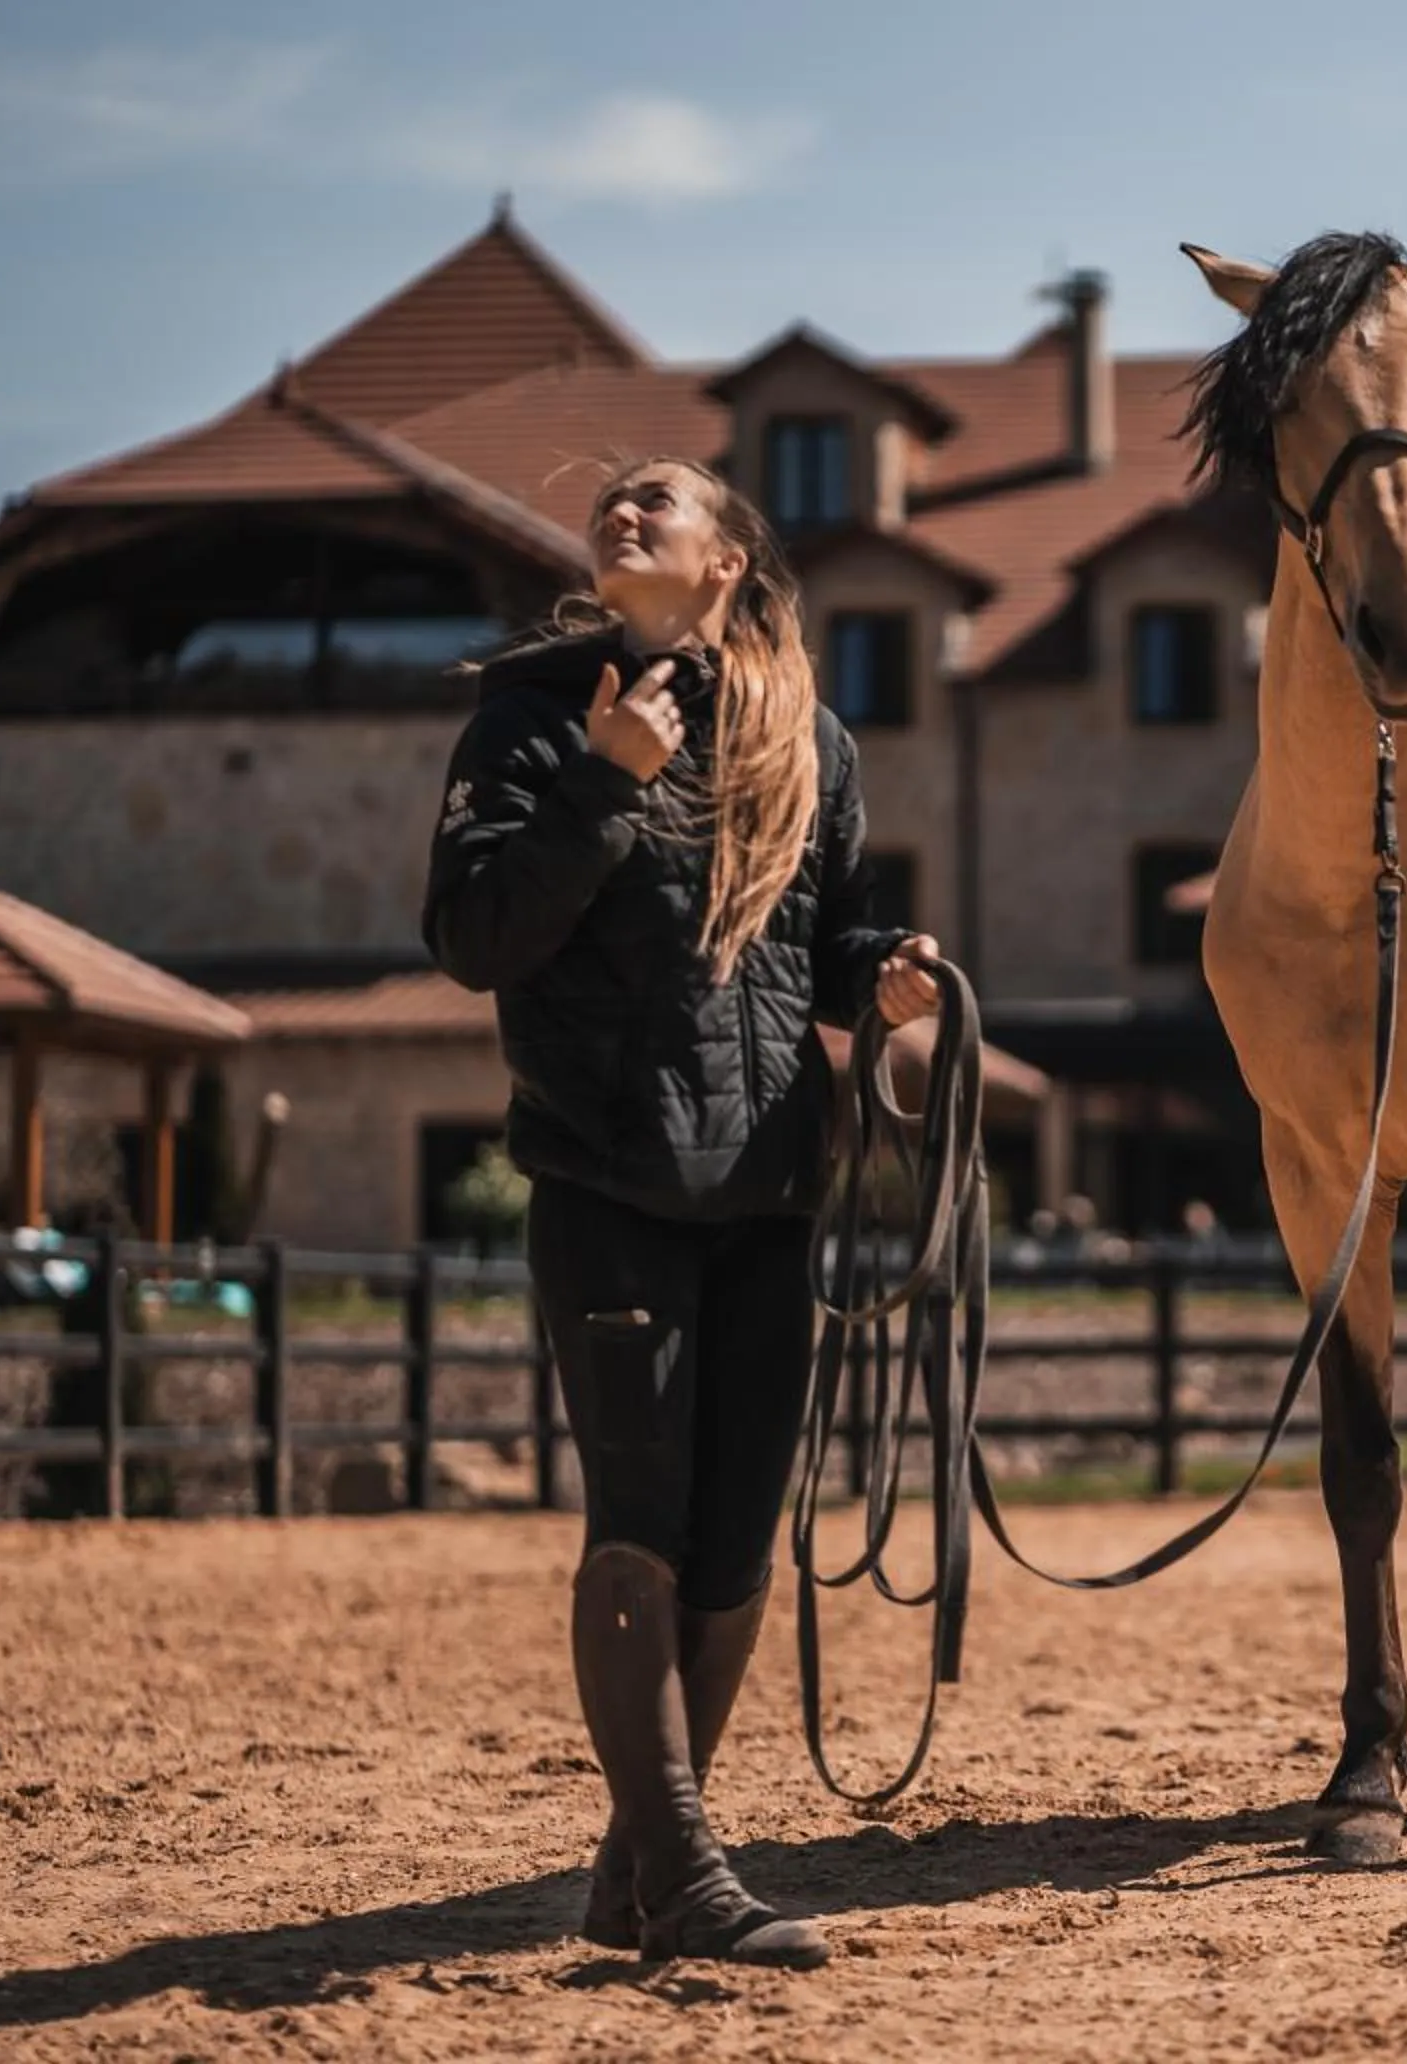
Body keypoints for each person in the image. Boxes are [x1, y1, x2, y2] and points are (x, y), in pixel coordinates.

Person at [423, 456, 940, 1968]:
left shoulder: (814, 744)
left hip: (772, 1184)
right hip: (605, 1173)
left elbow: (822, 936)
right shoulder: (528, 722)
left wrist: (881, 979)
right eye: (614, 506)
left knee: (736, 1552)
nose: (625, 513)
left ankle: (634, 1870)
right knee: (640, 1527)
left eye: (664, 502)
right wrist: (601, 781)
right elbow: (471, 936)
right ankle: (693, 1879)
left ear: (726, 563)